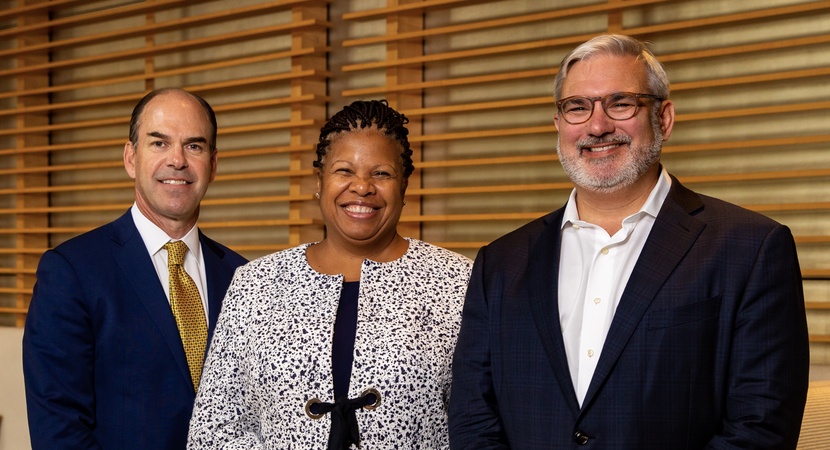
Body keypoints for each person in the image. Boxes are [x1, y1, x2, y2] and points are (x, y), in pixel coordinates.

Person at [448, 34, 810, 449]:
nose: (597, 126)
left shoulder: (751, 248)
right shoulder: (501, 262)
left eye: (620, 103)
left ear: (664, 118)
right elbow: (473, 417)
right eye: (577, 107)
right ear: (559, 125)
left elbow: (760, 427)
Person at [187, 99, 473, 449]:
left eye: (381, 173)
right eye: (344, 171)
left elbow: (479, 425)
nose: (362, 187)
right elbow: (214, 430)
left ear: (404, 186)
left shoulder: (459, 283)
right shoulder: (254, 284)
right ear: (319, 181)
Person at [23, 88, 248, 450]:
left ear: (214, 163)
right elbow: (59, 431)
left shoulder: (243, 276)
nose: (177, 160)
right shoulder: (71, 272)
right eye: (159, 143)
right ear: (130, 158)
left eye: (194, 146)